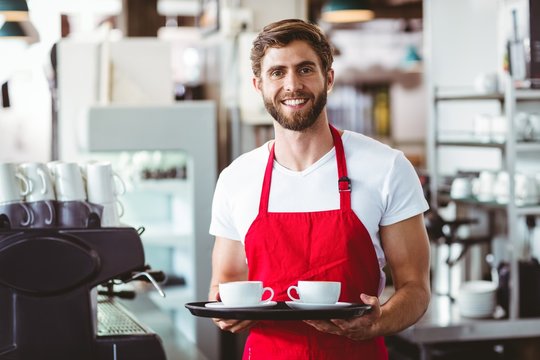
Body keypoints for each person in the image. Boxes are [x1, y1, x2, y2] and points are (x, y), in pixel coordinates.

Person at [208, 18, 430, 359]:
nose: (292, 85)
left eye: (305, 69)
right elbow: (224, 286)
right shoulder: (236, 178)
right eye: (277, 73)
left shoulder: (387, 167)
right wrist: (226, 313)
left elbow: (416, 289)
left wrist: (379, 321)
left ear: (328, 78)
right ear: (258, 85)